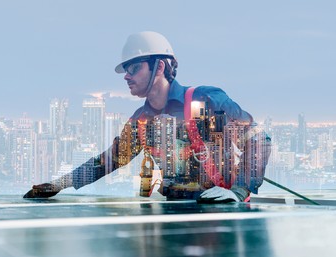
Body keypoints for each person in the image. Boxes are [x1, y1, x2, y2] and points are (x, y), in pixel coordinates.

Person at [24, 31, 271, 203]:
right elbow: (108, 161)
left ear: (160, 66)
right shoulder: (142, 120)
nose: (126, 76)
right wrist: (59, 184)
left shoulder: (203, 101)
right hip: (173, 218)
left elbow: (258, 139)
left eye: (134, 68)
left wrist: (239, 189)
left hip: (221, 215)